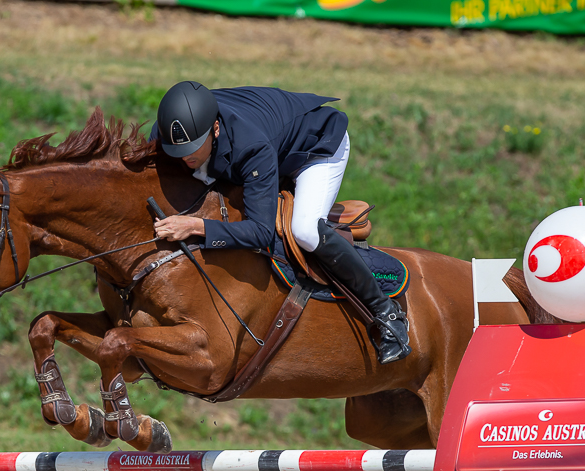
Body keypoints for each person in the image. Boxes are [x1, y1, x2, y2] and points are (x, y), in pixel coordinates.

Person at [150, 81, 410, 364]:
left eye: (194, 148)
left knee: (305, 231)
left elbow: (261, 233)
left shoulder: (250, 146)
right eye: (178, 150)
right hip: (272, 142)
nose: (185, 156)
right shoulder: (172, 134)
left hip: (314, 147)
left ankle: (386, 312)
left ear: (214, 128)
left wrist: (195, 226)